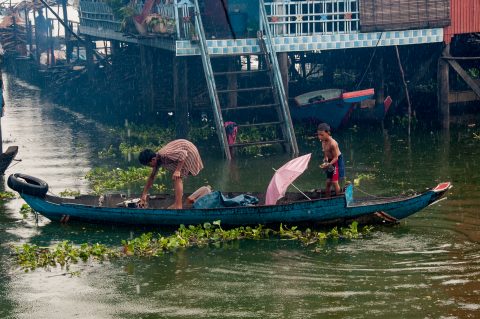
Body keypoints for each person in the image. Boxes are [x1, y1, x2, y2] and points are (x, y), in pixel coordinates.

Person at [138, 139, 204, 209]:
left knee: (177, 176)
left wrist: (178, 170)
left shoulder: (165, 154)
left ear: (153, 159)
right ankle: (177, 203)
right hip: (184, 150)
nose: (149, 167)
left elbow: (183, 153)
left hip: (189, 150)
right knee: (176, 175)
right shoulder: (158, 159)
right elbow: (152, 177)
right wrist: (144, 195)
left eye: (149, 165)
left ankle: (178, 205)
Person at [317, 123, 345, 197]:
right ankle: (327, 198)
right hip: (330, 161)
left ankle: (339, 198)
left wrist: (329, 164)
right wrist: (325, 160)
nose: (320, 137)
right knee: (328, 182)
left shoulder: (333, 143)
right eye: (318, 134)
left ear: (328, 133)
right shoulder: (323, 141)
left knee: (334, 181)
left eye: (322, 135)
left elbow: (336, 157)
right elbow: (325, 152)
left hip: (337, 161)